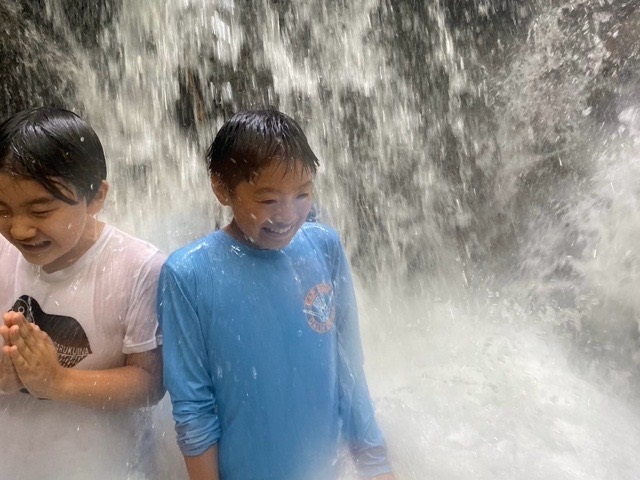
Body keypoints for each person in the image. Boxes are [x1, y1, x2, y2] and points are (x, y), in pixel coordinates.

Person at [158, 108, 397, 480]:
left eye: (303, 194)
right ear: (221, 187)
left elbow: (350, 368)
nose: (287, 214)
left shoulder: (324, 248)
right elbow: (193, 407)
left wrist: (377, 466)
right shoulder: (188, 274)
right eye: (268, 200)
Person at [0, 107, 166, 479]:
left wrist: (57, 381)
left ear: (96, 197)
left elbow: (151, 384)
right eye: (2, 209)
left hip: (105, 467)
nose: (20, 229)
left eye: (41, 210)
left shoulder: (139, 267)